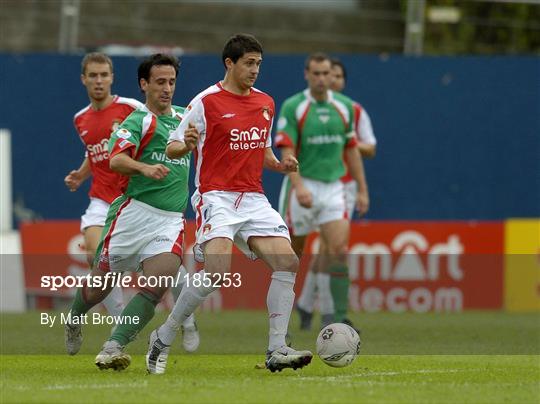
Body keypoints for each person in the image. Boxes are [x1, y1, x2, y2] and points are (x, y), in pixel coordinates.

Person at [146, 33, 312, 374]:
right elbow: (173, 147)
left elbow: (262, 151)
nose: (255, 70)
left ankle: (277, 348)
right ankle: (163, 337)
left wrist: (281, 165)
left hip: (253, 198)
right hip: (216, 196)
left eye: (259, 64)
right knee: (218, 272)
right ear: (229, 63)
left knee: (288, 262)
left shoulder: (265, 103)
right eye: (249, 64)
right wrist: (187, 144)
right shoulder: (206, 102)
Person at [64, 54, 197, 371]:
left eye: (172, 82)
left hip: (170, 220)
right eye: (160, 82)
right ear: (144, 84)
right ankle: (73, 318)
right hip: (132, 215)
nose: (167, 89)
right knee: (99, 286)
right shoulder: (138, 121)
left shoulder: (186, 118)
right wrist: (145, 168)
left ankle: (113, 346)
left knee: (156, 286)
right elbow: (115, 160)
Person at [275, 53, 370, 331]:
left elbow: (352, 150)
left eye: (325, 73)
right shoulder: (294, 106)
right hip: (304, 185)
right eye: (315, 73)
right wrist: (300, 186)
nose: (321, 79)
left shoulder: (344, 107)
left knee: (339, 250)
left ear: (332, 75)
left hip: (333, 187)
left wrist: (362, 190)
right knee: (292, 257)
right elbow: (287, 150)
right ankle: (281, 319)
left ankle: (339, 320)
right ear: (307, 74)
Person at [65, 52, 142, 318]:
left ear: (112, 78)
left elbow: (154, 132)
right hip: (100, 199)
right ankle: (119, 325)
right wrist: (81, 174)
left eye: (104, 75)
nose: (99, 81)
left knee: (164, 269)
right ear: (83, 80)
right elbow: (94, 152)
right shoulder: (80, 119)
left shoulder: (130, 108)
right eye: (93, 76)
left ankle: (186, 320)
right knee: (97, 260)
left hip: (132, 197)